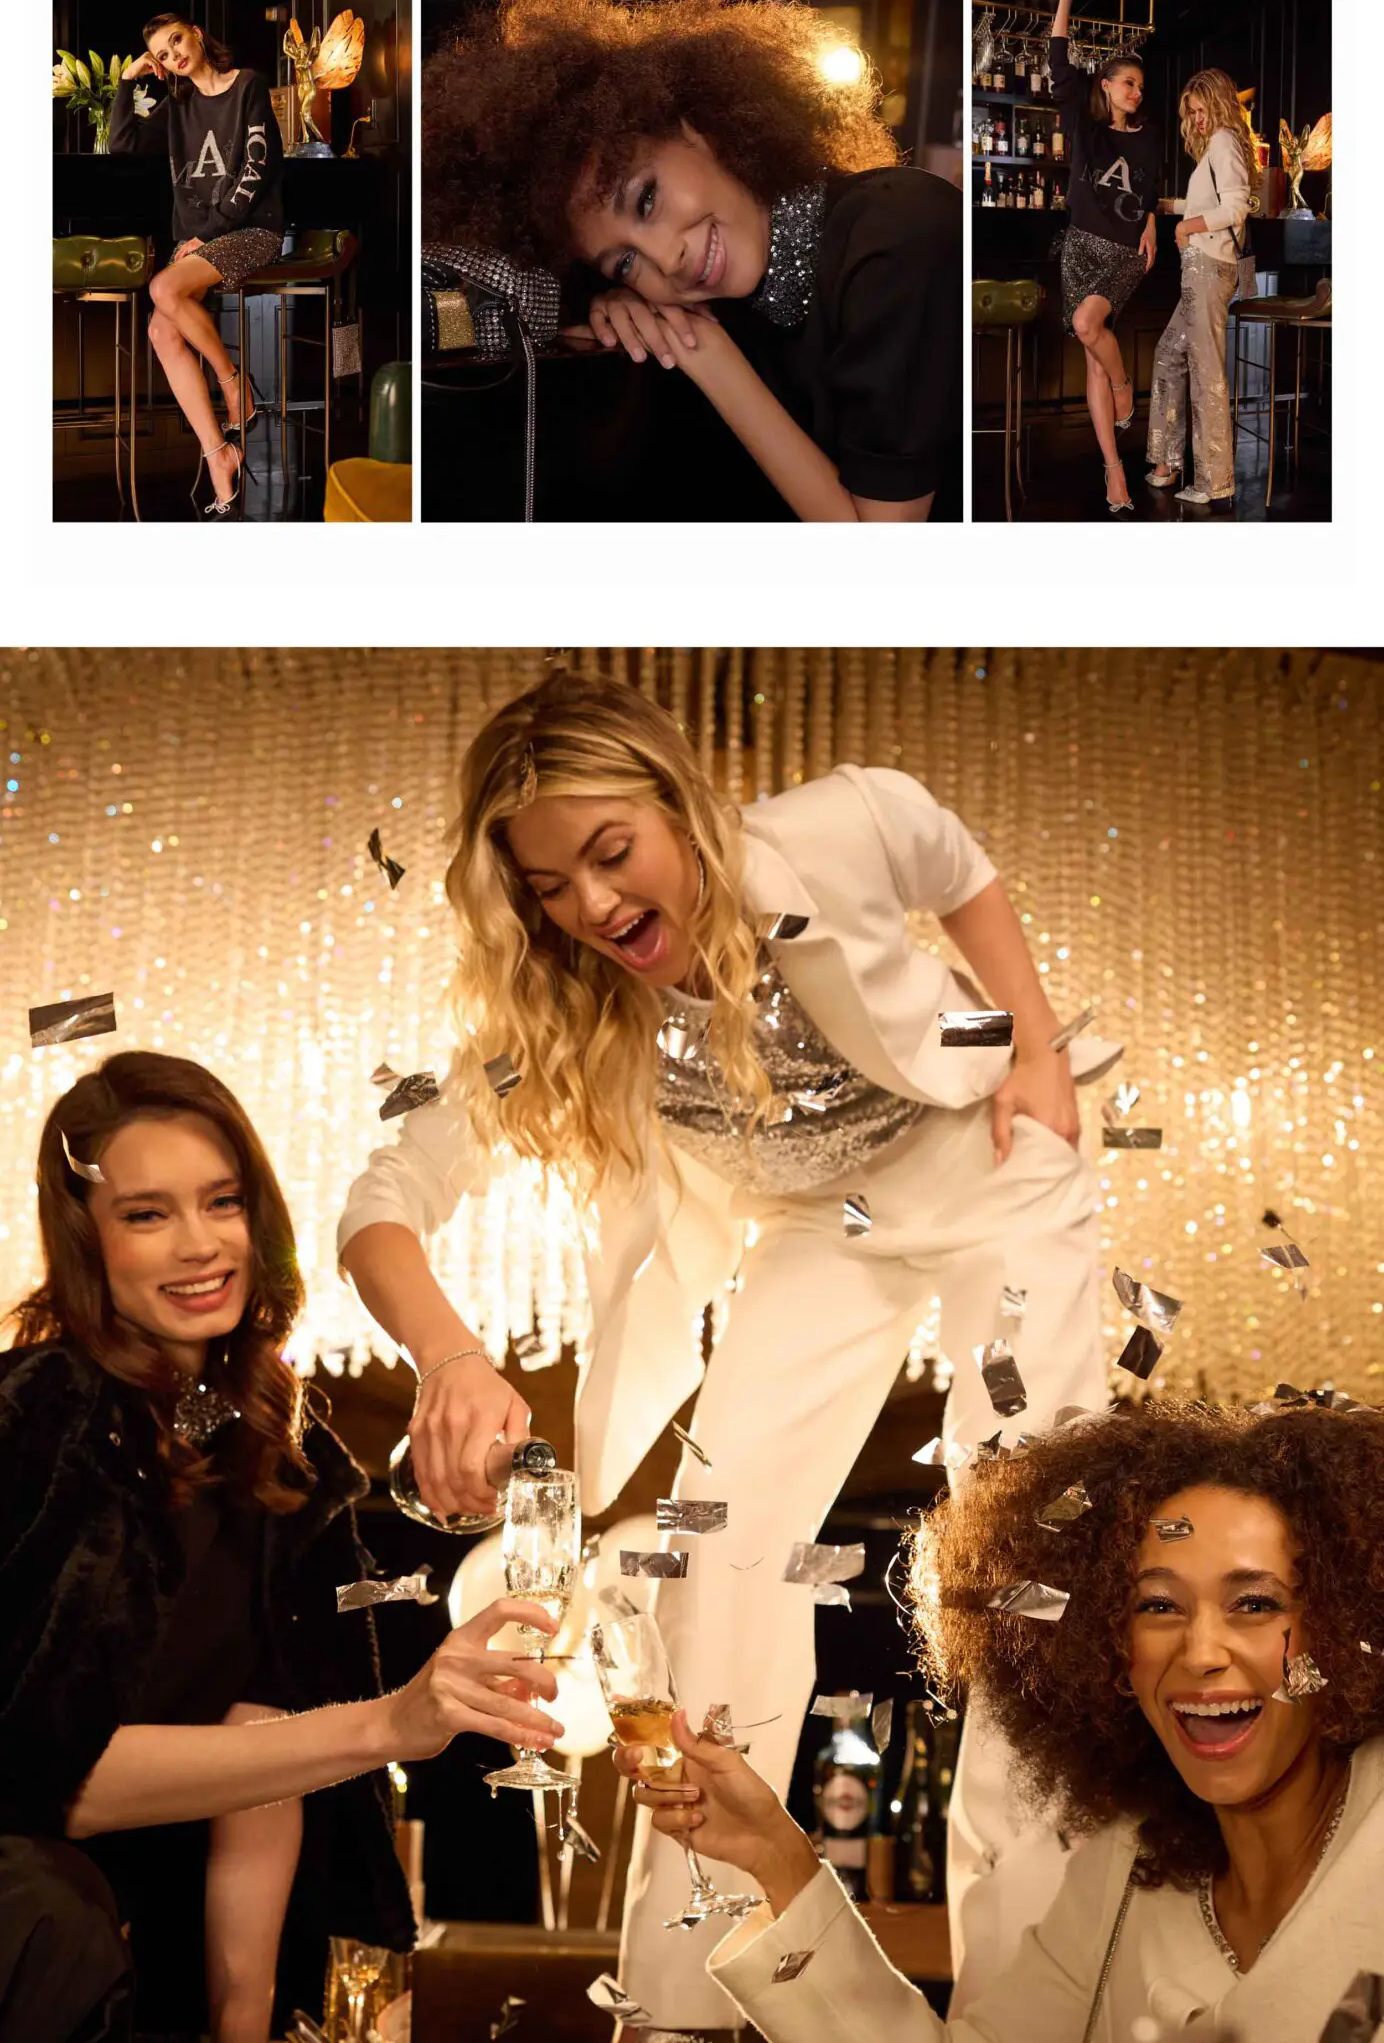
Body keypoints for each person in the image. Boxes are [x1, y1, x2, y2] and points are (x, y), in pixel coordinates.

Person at [337, 672, 1122, 2032]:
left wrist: (1037, 1046)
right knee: (712, 1557)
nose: (590, 904)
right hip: (830, 1222)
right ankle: (679, 1996)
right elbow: (381, 1203)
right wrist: (450, 1357)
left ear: (673, 798)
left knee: (1026, 1567)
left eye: (610, 852)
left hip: (991, 1170)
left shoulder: (829, 827)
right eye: (547, 886)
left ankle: (1036, 2001)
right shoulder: (562, 1016)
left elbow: (959, 865)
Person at [0, 1051, 565, 2043]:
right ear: (84, 1237)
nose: (199, 1244)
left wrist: (245, 2012)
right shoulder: (39, 1414)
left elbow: (272, 1749)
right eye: (146, 1212)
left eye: (222, 1201)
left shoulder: (276, 1451)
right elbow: (50, 1778)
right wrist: (391, 1721)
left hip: (168, 1948)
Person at [615, 1396, 1384, 2042]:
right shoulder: (1125, 1864)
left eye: (1256, 1604)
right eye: (1158, 1606)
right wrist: (780, 1859)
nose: (1202, 1651)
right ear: (1105, 1644)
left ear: (1346, 1626)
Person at [423, 0, 962, 522]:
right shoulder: (726, 300)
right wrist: (618, 303)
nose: (668, 260)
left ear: (694, 131)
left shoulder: (900, 232)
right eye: (625, 262)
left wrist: (705, 352)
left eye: (646, 199)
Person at [110, 13, 285, 514]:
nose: (173, 56)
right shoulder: (178, 105)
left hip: (252, 231)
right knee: (161, 331)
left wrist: (206, 234)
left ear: (197, 35)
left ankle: (235, 385)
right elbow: (122, 143)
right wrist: (127, 80)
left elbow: (257, 167)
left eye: (176, 41)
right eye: (162, 55)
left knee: (163, 291)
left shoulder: (247, 84)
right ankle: (218, 454)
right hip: (196, 244)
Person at [1050, 0, 1160, 514]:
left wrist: (1154, 222)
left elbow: (1152, 189)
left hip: (1123, 252)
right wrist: (1065, 2)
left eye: (1140, 85)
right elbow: (1058, 62)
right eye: (1128, 83)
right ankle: (1114, 475)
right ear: (1107, 86)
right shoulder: (1086, 130)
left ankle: (1124, 386)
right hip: (1078, 248)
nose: (1137, 92)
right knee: (1091, 360)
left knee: (1088, 326)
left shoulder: (1151, 137)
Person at [1147, 71, 1257, 509]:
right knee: (1169, 354)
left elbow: (1236, 206)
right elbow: (1206, 205)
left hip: (1209, 268)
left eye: (1200, 109)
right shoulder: (1216, 145)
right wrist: (1166, 207)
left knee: (1205, 370)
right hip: (1201, 267)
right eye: (1189, 113)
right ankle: (1168, 461)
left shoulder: (1225, 140)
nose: (1194, 119)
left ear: (1218, 104)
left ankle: (1215, 481)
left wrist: (1187, 226)